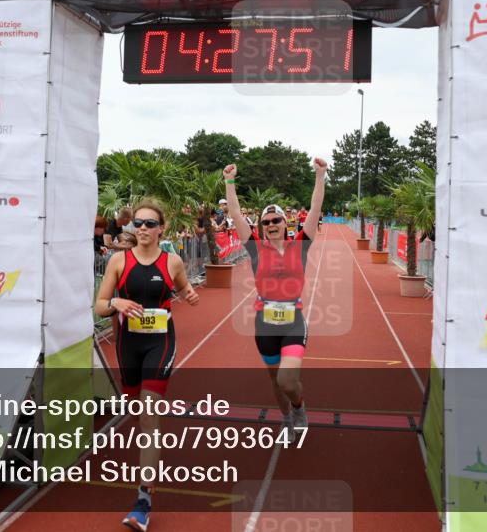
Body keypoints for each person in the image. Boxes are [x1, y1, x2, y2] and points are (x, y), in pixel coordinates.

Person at [94, 199, 199, 532]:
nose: (142, 228)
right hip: (128, 345)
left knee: (149, 415)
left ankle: (143, 501)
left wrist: (190, 294)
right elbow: (99, 306)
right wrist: (116, 302)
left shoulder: (173, 261)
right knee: (137, 413)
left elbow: (184, 287)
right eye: (137, 223)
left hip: (160, 343)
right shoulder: (118, 260)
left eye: (149, 224)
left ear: (161, 229)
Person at [223, 158, 327, 442]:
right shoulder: (255, 249)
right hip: (264, 324)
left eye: (276, 220)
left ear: (285, 222)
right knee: (275, 380)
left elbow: (315, 208)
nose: (271, 224)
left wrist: (320, 176)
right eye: (266, 222)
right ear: (261, 227)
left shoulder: (300, 245)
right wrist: (229, 182)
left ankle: (299, 407)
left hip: (293, 321)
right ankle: (286, 419)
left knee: (287, 380)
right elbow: (235, 213)